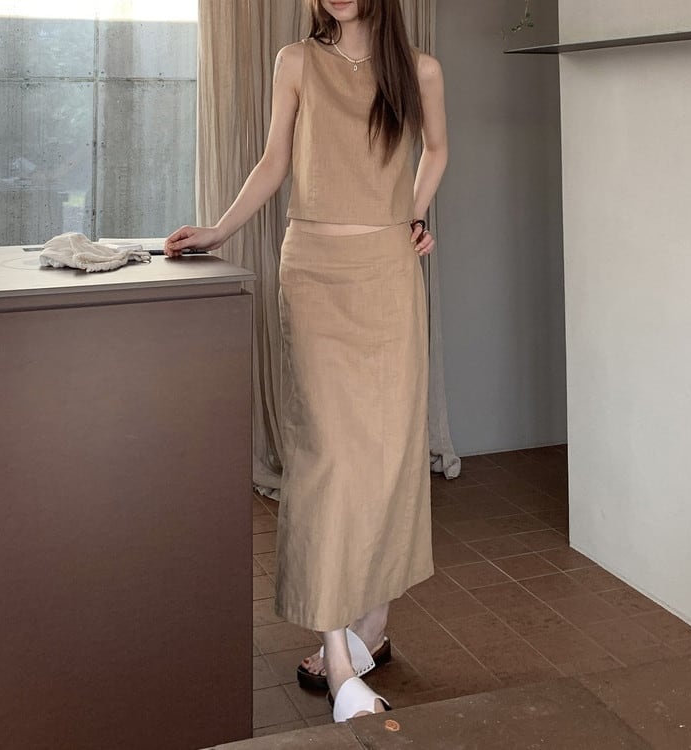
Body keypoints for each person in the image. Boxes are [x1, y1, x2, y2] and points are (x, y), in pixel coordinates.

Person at [165, 0, 447, 722]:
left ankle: (370, 628)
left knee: (387, 451)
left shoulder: (419, 71)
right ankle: (338, 655)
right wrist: (219, 230)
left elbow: (437, 150)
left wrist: (415, 214)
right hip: (316, 272)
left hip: (388, 275)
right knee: (326, 456)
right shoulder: (295, 61)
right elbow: (275, 161)